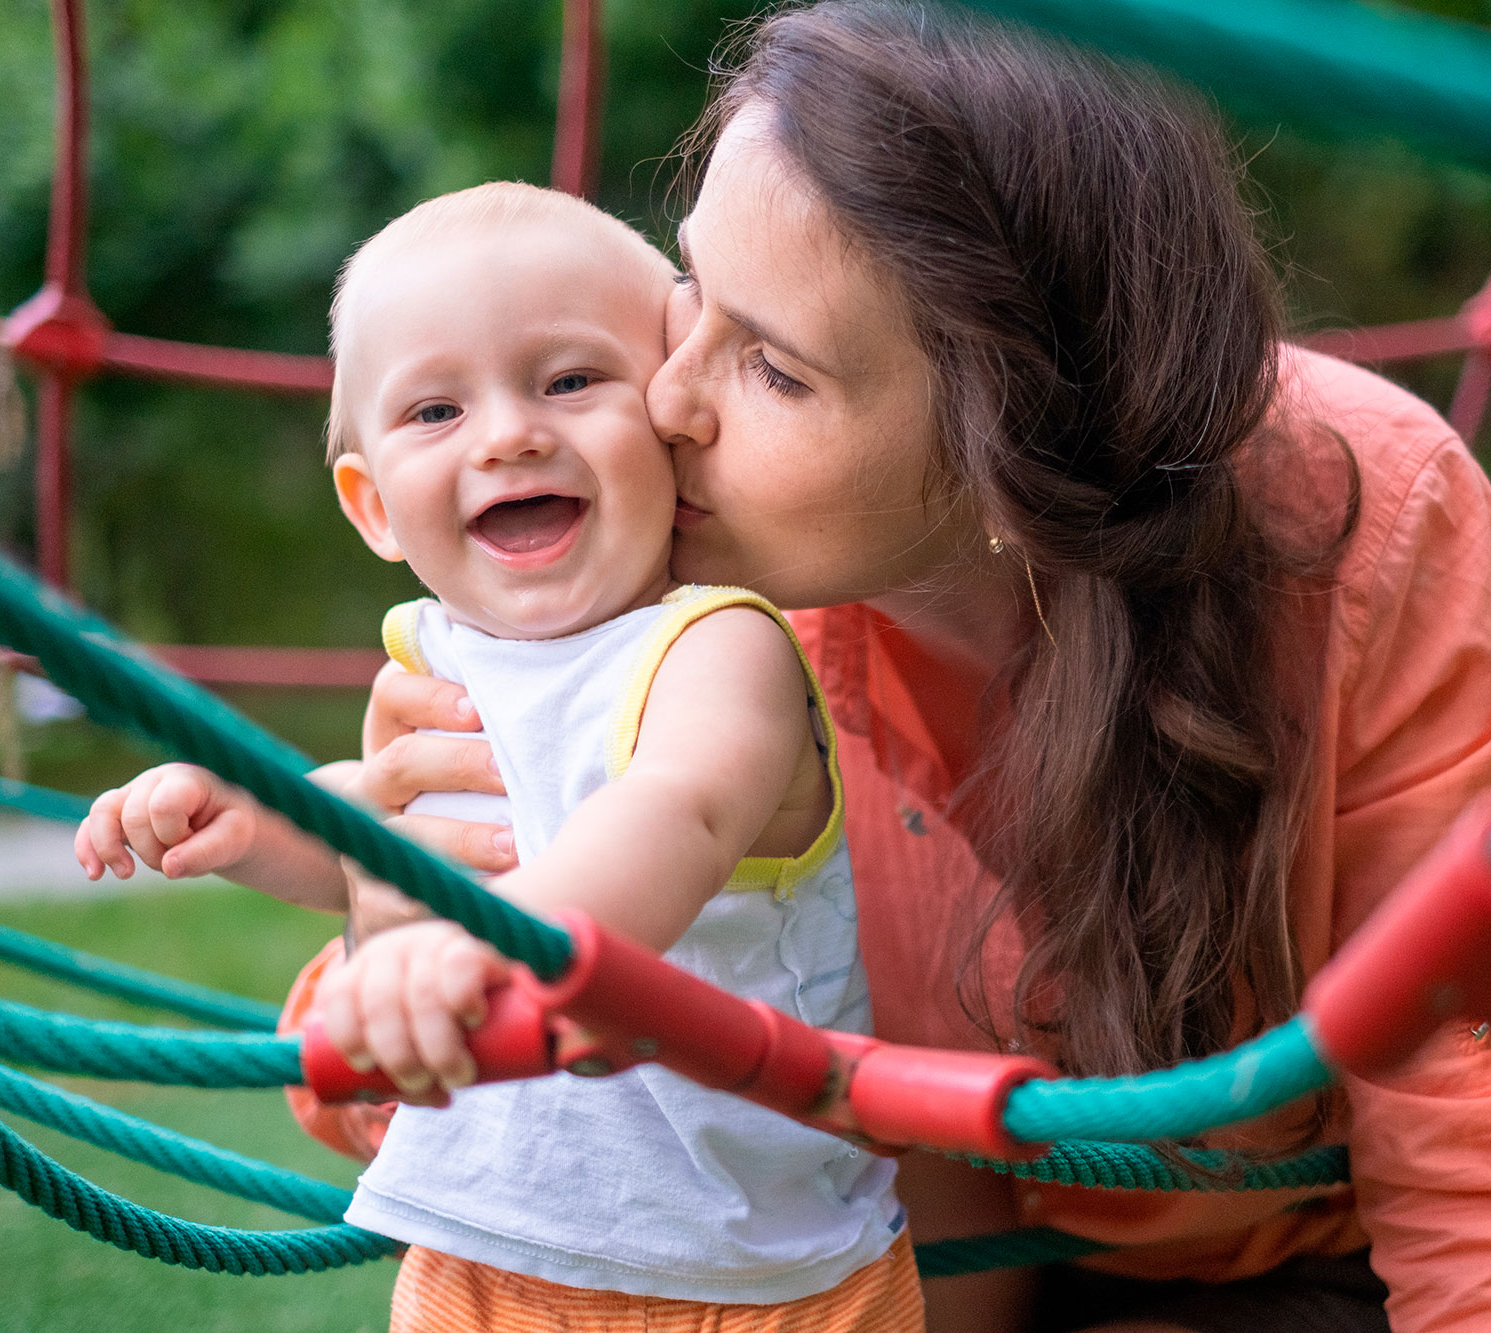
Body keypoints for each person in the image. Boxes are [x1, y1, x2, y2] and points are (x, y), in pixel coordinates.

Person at [335, 5, 1491, 1332]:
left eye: (772, 368)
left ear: (1001, 461)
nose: (662, 400)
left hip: (1280, 1262)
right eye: (692, 296)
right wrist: (393, 920)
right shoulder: (665, 579)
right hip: (892, 1276)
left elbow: (1482, 1155)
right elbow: (393, 1093)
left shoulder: (1371, 515)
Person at [74, 182, 923, 1332]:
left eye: (570, 381)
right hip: (481, 1246)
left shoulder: (713, 644)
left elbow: (679, 816)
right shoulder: (439, 654)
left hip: (743, 1273)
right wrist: (253, 816)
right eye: (433, 411)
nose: (510, 433)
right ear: (373, 507)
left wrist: (491, 944)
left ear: (668, 426)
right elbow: (384, 841)